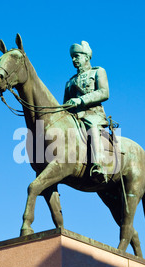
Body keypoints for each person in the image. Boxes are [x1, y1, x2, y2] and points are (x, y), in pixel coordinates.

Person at [64, 41, 110, 183]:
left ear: (86, 56)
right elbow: (65, 105)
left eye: (77, 56)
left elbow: (104, 92)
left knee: (92, 127)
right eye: (72, 57)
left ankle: (99, 165)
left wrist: (81, 101)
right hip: (75, 116)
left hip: (93, 114)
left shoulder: (98, 72)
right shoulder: (70, 82)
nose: (74, 60)